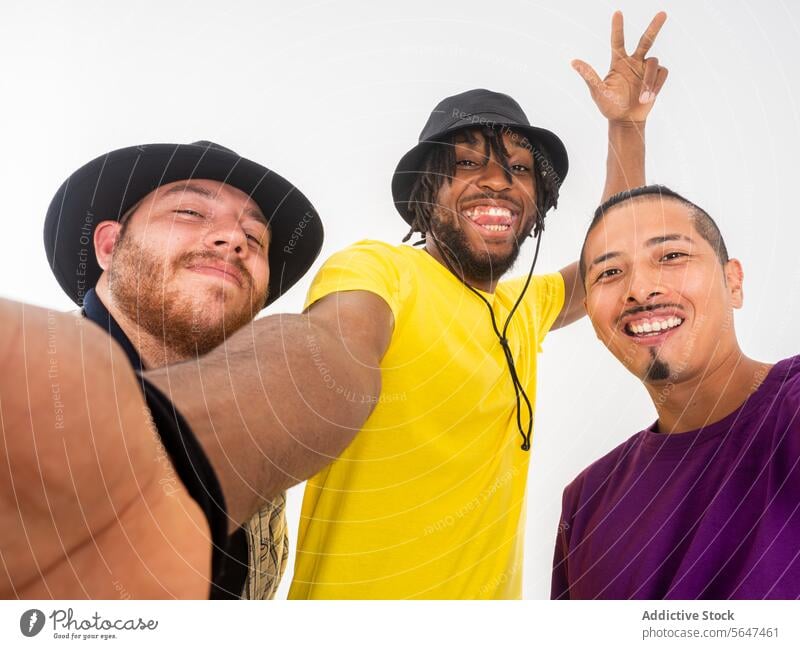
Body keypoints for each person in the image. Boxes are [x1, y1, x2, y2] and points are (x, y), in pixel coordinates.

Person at [287, 12, 669, 599]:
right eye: (467, 163)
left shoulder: (522, 307)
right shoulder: (379, 269)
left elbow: (610, 253)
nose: (498, 181)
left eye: (519, 169)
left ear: (537, 206)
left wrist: (626, 127)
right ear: (425, 194)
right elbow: (337, 342)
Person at [2, 141, 377, 598]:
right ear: (108, 244)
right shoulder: (23, 387)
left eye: (255, 239)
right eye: (190, 213)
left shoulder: (264, 470)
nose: (234, 239)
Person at [551, 184, 800, 599]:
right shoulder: (584, 501)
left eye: (671, 256)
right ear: (592, 318)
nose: (641, 288)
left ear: (733, 282)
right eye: (609, 272)